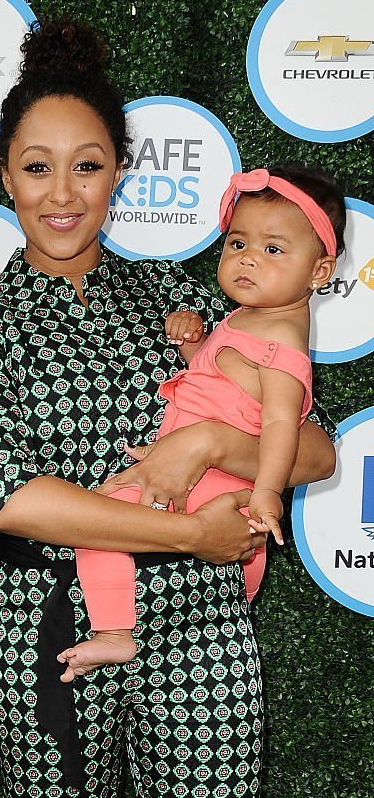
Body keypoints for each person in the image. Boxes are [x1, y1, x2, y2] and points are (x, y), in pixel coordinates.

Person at [0, 18, 336, 798]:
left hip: (204, 631)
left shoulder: (181, 296)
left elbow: (310, 449)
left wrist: (203, 443)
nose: (62, 193)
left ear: (120, 168)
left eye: (87, 164)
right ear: (4, 175)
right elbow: (1, 493)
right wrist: (189, 535)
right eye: (36, 166)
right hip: (50, 629)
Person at [64, 165, 344, 680]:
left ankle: (113, 632)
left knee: (96, 523)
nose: (249, 259)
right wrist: (194, 344)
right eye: (238, 242)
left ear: (320, 272)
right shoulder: (246, 320)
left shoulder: (282, 347)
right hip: (200, 483)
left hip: (217, 489)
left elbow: (282, 425)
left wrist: (266, 492)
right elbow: (223, 389)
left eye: (275, 250)